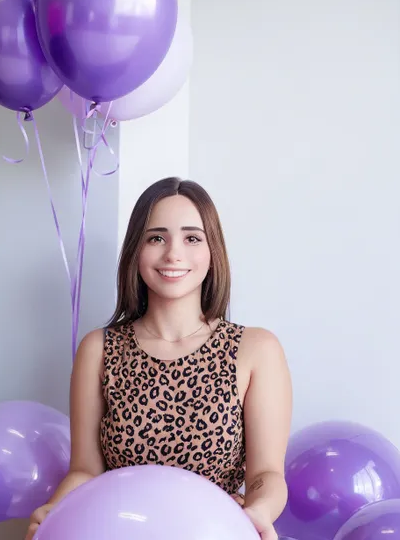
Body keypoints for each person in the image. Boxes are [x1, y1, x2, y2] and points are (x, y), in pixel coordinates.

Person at [25, 177, 292, 540]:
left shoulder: (256, 348)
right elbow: (85, 471)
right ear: (137, 250)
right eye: (156, 238)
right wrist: (56, 510)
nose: (173, 254)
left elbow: (266, 475)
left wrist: (257, 513)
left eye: (192, 238)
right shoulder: (99, 349)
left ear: (213, 251)